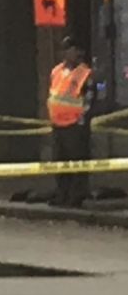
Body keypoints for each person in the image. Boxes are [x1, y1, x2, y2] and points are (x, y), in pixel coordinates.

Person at [47, 36, 95, 208]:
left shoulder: (84, 73)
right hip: (58, 125)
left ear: (79, 52)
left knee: (77, 162)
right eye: (65, 49)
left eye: (71, 49)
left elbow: (89, 100)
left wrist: (82, 121)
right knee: (60, 163)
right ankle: (62, 195)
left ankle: (76, 196)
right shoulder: (56, 71)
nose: (67, 52)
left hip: (75, 125)